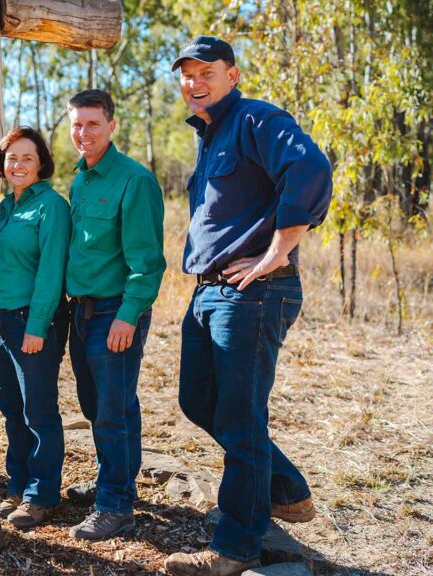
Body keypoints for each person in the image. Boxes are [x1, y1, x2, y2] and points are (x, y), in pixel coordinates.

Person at [163, 36, 332, 576]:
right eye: (186, 74)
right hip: (208, 290)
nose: (194, 82)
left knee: (240, 416)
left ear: (232, 76)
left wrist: (275, 253)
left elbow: (309, 168)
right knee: (198, 400)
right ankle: (286, 489)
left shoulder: (256, 119)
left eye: (206, 72)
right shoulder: (210, 135)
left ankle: (236, 547)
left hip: (253, 293)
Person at [62, 89, 167, 541]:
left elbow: (148, 260)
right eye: (77, 124)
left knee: (114, 410)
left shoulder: (135, 180)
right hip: (80, 312)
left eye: (92, 124)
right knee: (95, 405)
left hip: (114, 313)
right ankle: (114, 479)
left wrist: (128, 315)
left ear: (112, 125)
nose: (83, 133)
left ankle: (115, 506)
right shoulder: (79, 180)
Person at [0, 127, 70, 529]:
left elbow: (51, 271)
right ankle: (20, 483)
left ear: (41, 163)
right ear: (1, 162)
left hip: (32, 319)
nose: (19, 165)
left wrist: (38, 325)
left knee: (39, 410)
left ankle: (42, 494)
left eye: (28, 158)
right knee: (11, 407)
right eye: (12, 157)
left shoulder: (50, 206)